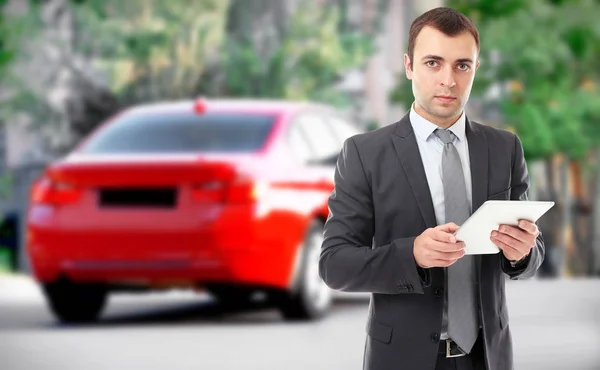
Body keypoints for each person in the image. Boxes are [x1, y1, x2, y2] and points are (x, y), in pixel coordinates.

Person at [319, 7, 544, 370]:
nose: (448, 80)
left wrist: (520, 254)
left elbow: (533, 256)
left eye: (462, 65)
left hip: (486, 356)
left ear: (475, 69)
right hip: (402, 358)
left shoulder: (505, 148)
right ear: (409, 66)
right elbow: (334, 264)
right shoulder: (365, 153)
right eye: (433, 63)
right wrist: (412, 255)